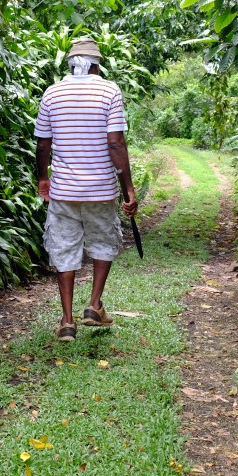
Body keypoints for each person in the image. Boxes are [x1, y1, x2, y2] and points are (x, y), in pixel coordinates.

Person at [34, 37, 138, 341]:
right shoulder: (109, 91)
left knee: (64, 249)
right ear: (96, 64)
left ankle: (67, 322)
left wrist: (44, 178)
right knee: (103, 242)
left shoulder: (52, 93)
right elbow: (115, 142)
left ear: (70, 63)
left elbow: (43, 143)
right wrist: (128, 187)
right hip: (101, 189)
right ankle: (93, 305)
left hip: (64, 190)